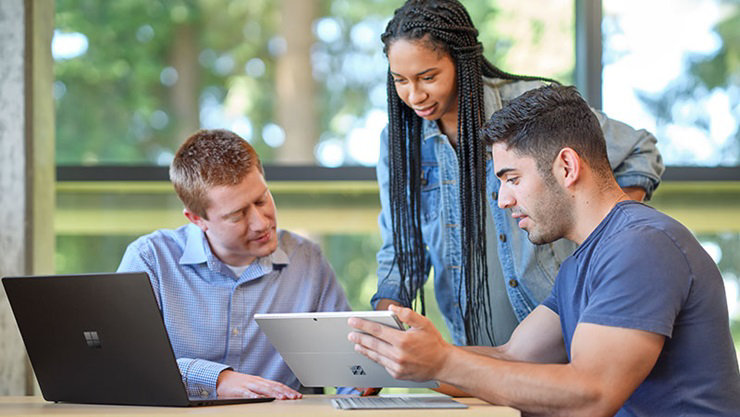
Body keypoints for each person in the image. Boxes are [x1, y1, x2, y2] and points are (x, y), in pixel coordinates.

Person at [350, 85, 740, 415]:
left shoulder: (642, 245)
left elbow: (591, 394)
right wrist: (399, 357)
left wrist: (441, 360)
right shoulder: (579, 263)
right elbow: (512, 357)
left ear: (567, 167)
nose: (502, 200)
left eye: (512, 178)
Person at [372, 0, 665, 347]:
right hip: (475, 352)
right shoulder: (399, 146)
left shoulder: (526, 111)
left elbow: (640, 150)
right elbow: (401, 254)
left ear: (461, 60)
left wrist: (602, 239)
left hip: (566, 337)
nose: (414, 95)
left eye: (428, 77)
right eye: (400, 81)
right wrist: (379, 334)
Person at [117, 129, 351, 400]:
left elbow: (347, 369)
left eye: (262, 200)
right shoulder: (151, 260)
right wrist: (215, 380)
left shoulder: (307, 260)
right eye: (237, 215)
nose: (261, 223)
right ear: (197, 219)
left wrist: (362, 380)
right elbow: (125, 361)